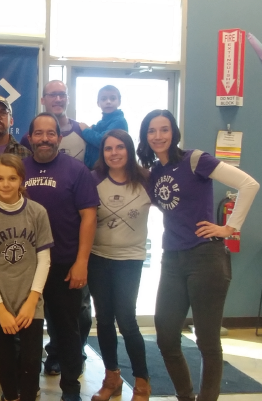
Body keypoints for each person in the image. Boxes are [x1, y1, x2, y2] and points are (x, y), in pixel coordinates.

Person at [138, 110, 260, 401]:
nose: (158, 136)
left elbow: (248, 184)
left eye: (164, 129)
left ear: (174, 132)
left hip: (206, 257)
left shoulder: (195, 160)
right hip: (172, 259)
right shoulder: (154, 173)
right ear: (145, 136)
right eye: (152, 131)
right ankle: (185, 396)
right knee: (166, 337)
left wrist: (229, 227)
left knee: (207, 341)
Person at [23, 112, 99, 401]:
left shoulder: (76, 170)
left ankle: (70, 388)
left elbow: (88, 218)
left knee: (67, 330)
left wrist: (82, 262)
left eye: (50, 133)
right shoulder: (18, 169)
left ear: (60, 137)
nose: (44, 138)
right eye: (39, 133)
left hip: (64, 265)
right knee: (26, 331)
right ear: (30, 138)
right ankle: (26, 386)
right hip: (25, 268)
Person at [0, 154, 54, 401]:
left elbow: (45, 260)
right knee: (6, 362)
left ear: (22, 180)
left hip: (31, 302)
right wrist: (0, 309)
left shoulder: (38, 212)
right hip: (1, 306)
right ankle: (9, 396)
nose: (6, 184)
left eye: (12, 178)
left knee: (31, 362)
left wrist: (32, 301)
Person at [88, 129, 152, 401]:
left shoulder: (147, 180)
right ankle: (111, 376)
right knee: (103, 319)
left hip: (130, 260)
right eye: (108, 149)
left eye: (119, 147)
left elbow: (176, 208)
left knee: (126, 319)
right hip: (98, 258)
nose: (114, 153)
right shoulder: (93, 180)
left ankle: (142, 381)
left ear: (129, 150)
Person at [21, 81, 87, 165]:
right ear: (42, 100)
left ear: (68, 100)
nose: (58, 99)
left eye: (62, 95)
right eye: (52, 95)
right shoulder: (30, 139)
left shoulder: (83, 132)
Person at [78, 85, 129, 169]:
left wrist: (86, 130)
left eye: (113, 98)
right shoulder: (102, 122)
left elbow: (102, 140)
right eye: (104, 99)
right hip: (96, 168)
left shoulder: (119, 121)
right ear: (98, 103)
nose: (108, 102)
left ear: (119, 102)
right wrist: (92, 128)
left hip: (109, 168)